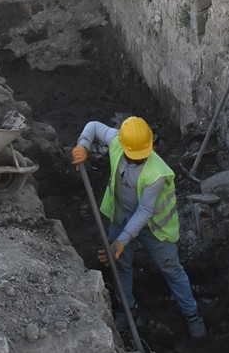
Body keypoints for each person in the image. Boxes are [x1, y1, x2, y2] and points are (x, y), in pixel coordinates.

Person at [71, 116, 206, 338]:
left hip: (154, 226)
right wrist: (83, 145)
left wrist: (120, 241)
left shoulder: (157, 173)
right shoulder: (117, 141)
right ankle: (126, 310)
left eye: (143, 155)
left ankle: (192, 315)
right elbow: (93, 126)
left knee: (171, 268)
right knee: (121, 266)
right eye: (134, 156)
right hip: (122, 216)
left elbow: (144, 211)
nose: (139, 159)